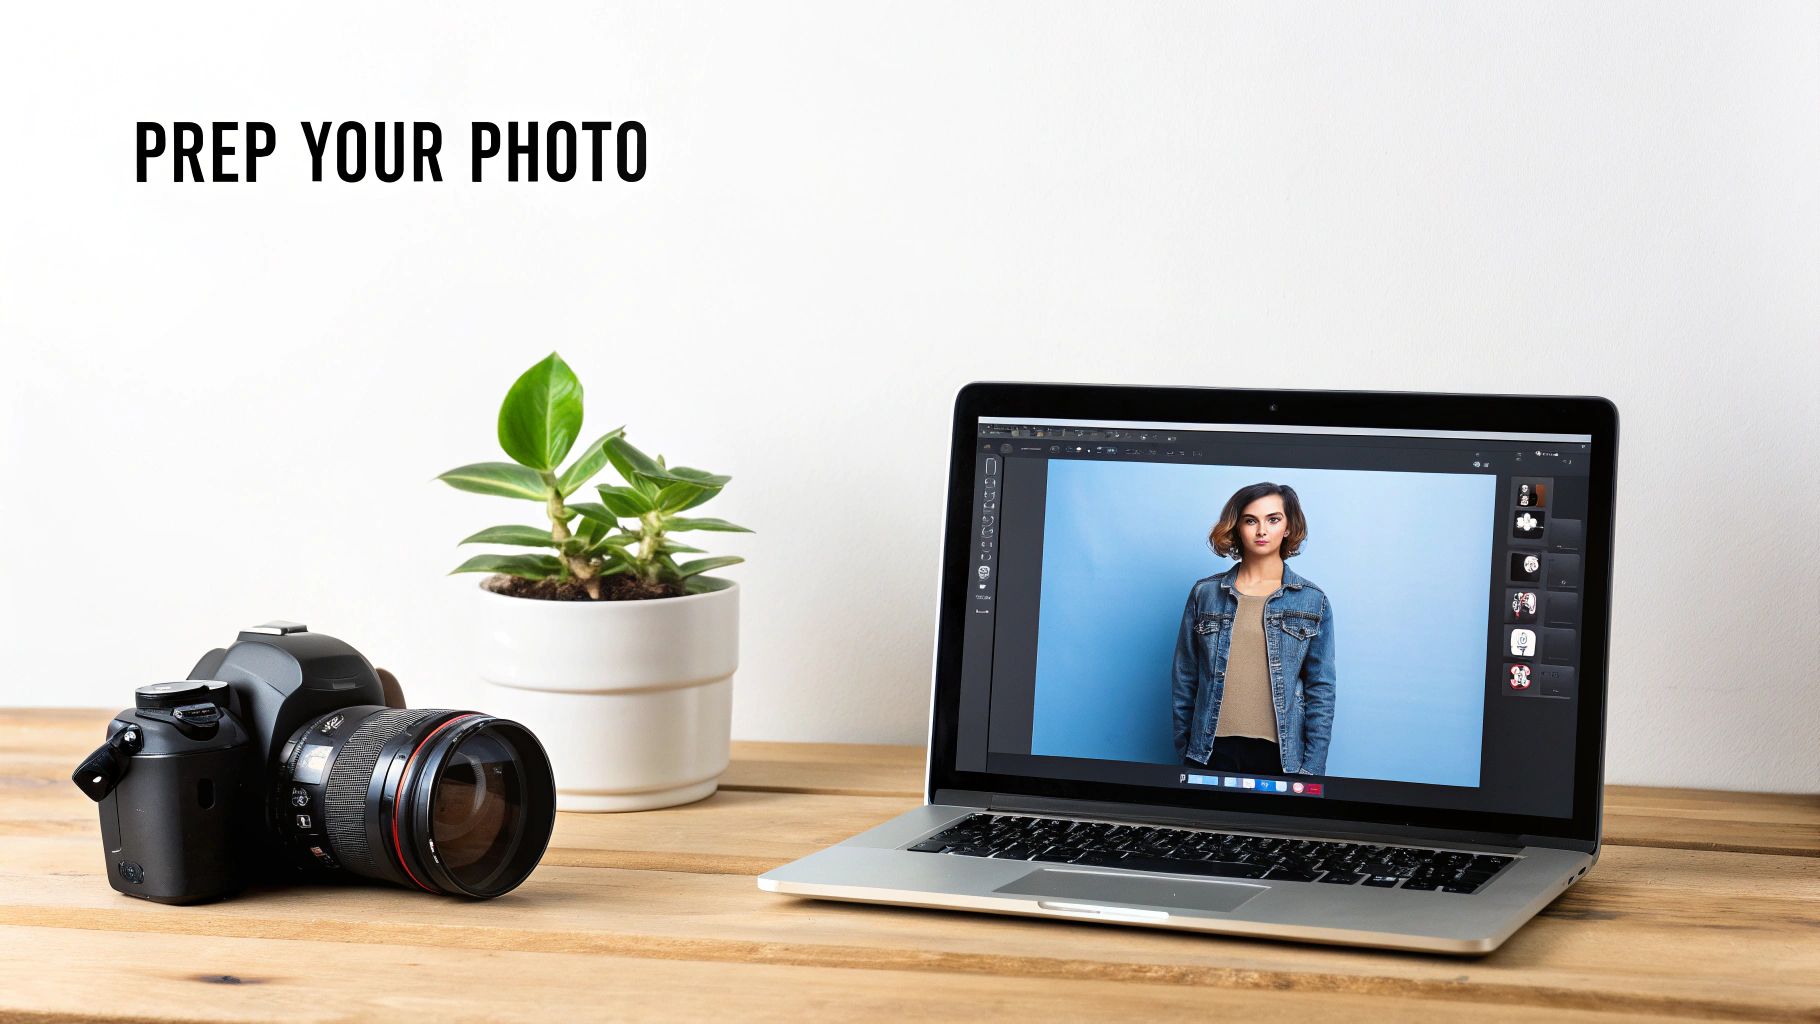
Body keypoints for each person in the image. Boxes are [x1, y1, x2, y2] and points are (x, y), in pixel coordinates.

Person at [1171, 482, 1336, 776]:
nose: (1261, 530)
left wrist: (1311, 766)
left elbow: (1320, 688)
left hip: (1281, 757)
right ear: (1237, 527)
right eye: (1251, 520)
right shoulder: (1205, 593)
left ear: (1288, 527)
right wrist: (1187, 751)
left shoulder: (1312, 600)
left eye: (1273, 519)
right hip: (1209, 751)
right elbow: (1185, 677)